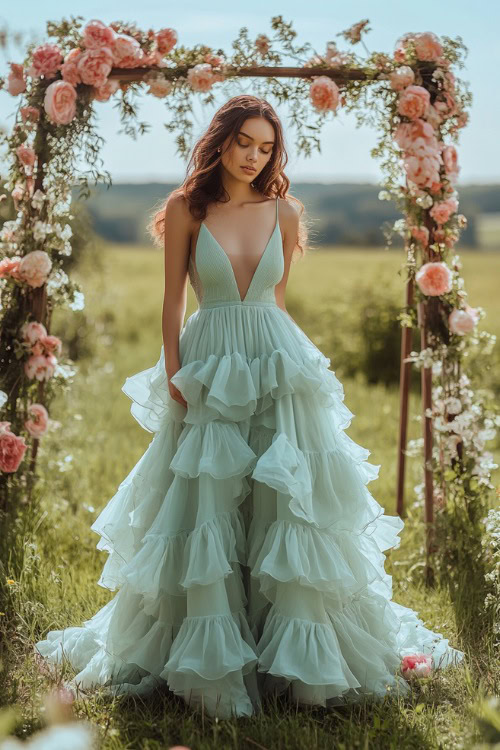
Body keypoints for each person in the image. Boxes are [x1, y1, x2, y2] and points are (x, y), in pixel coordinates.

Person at [35, 94, 464, 719]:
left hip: (275, 360)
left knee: (284, 503)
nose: (254, 156)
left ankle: (291, 659)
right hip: (208, 361)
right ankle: (210, 656)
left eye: (266, 148)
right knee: (208, 499)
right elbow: (172, 303)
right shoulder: (186, 208)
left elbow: (278, 299)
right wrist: (174, 369)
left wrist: (303, 371)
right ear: (222, 140)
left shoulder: (285, 211)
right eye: (245, 143)